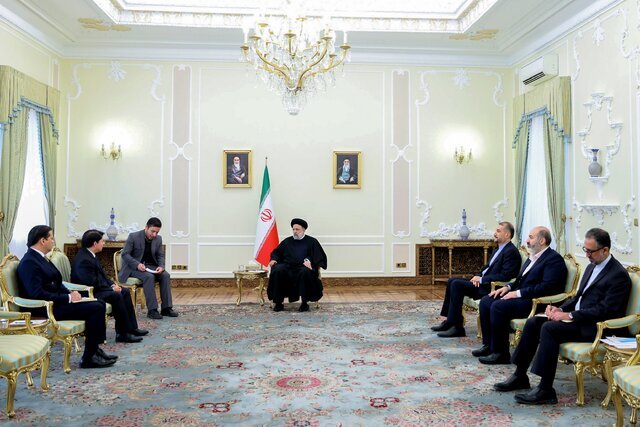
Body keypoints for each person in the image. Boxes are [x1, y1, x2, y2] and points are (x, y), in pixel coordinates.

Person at [494, 228, 630, 404]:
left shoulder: (618, 275)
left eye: (591, 251)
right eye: (585, 250)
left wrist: (570, 315)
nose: (587, 255)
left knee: (550, 329)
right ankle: (520, 375)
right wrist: (559, 309)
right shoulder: (591, 266)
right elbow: (578, 297)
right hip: (579, 319)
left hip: (596, 327)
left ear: (605, 250)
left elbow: (605, 310)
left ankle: (545, 389)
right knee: (534, 322)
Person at [17, 225, 118, 369]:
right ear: (42, 241)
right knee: (96, 307)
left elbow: (58, 283)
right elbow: (36, 294)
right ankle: (89, 358)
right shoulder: (29, 262)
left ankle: (94, 350)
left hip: (55, 303)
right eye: (51, 238)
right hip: (44, 309)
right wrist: (68, 298)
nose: (53, 241)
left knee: (99, 303)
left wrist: (70, 293)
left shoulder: (41, 258)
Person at [474, 226, 567, 364]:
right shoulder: (533, 256)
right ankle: (489, 345)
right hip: (522, 296)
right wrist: (507, 287)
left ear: (542, 241)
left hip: (536, 302)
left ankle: (501, 353)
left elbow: (546, 288)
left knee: (498, 307)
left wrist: (517, 293)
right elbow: (520, 280)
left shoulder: (553, 259)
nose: (527, 240)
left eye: (531, 237)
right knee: (486, 301)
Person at [431, 222, 521, 338]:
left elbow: (506, 276)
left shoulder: (511, 252)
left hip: (491, 288)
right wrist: (477, 277)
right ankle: (450, 321)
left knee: (456, 284)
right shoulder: (498, 249)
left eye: (498, 231)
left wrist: (482, 279)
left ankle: (457, 328)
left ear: (507, 235)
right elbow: (486, 268)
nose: (495, 233)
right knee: (451, 281)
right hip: (483, 283)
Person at [71, 229, 149, 343]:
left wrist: (112, 284)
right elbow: (91, 282)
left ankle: (131, 328)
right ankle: (122, 334)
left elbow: (102, 277)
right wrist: (111, 288)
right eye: (102, 241)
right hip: (89, 292)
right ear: (95, 243)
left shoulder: (90, 255)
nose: (104, 243)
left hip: (98, 288)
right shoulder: (83, 259)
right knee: (116, 295)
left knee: (124, 291)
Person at [118, 217, 178, 319]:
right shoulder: (133, 236)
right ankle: (152, 310)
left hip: (150, 267)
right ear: (146, 227)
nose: (154, 235)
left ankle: (166, 308)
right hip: (133, 268)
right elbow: (125, 254)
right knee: (149, 277)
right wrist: (137, 264)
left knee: (165, 275)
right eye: (152, 231)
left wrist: (161, 266)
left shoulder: (158, 239)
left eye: (157, 232)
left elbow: (160, 255)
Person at [268, 218, 327, 312]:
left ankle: (304, 303)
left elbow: (318, 256)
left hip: (303, 268)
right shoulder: (287, 241)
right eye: (293, 229)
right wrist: (274, 259)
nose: (295, 231)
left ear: (303, 230)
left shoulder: (312, 241)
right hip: (288, 267)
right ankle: (278, 303)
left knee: (305, 272)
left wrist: (310, 262)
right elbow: (277, 252)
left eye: (297, 229)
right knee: (278, 270)